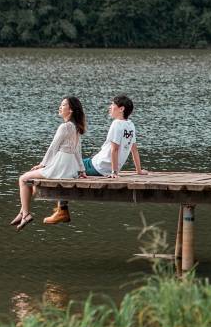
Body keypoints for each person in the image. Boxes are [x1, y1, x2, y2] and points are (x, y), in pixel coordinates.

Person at [45, 94, 148, 224]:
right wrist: (138, 170)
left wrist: (114, 173)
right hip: (101, 165)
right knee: (72, 163)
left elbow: (114, 149)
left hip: (98, 166)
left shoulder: (116, 124)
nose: (110, 108)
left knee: (64, 168)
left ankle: (62, 210)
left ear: (121, 109)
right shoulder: (130, 125)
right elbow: (134, 149)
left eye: (112, 105)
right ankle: (61, 209)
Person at [11, 97, 86, 230]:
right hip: (70, 167)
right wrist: (81, 169)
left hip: (60, 166)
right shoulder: (75, 127)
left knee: (23, 179)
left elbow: (53, 147)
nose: (60, 107)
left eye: (63, 105)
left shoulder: (64, 127)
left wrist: (43, 164)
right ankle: (22, 212)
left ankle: (26, 213)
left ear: (71, 110)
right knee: (31, 183)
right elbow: (77, 151)